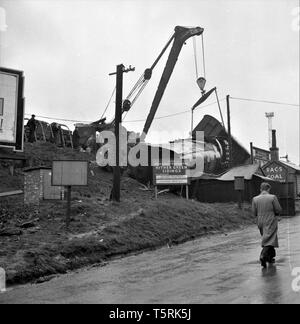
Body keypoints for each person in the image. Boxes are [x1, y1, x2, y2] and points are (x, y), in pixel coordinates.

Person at [252, 182, 282, 268]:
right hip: (270, 219)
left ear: (260, 189)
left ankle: (270, 257)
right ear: (268, 189)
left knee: (267, 237)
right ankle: (263, 256)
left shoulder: (255, 199)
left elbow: (254, 212)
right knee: (269, 239)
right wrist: (276, 215)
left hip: (260, 220)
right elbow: (278, 209)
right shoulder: (272, 197)